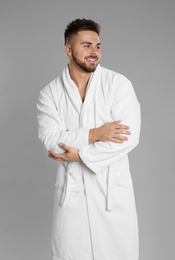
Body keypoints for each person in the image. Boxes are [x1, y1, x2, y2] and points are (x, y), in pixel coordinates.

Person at [37, 18, 141, 260]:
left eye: (98, 46)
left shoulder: (118, 85)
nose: (94, 52)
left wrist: (80, 155)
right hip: (71, 198)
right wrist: (96, 133)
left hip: (111, 197)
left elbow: (128, 137)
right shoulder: (50, 94)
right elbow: (52, 140)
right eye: (86, 45)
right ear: (69, 50)